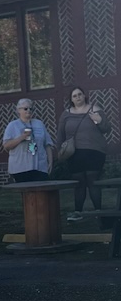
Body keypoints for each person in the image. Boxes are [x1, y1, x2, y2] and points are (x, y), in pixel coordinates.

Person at [57, 86, 110, 222]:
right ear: (71, 99)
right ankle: (77, 212)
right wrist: (59, 151)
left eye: (80, 94)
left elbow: (106, 128)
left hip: (94, 151)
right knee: (79, 182)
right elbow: (60, 134)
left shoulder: (95, 109)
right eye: (74, 95)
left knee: (93, 181)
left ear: (84, 95)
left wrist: (98, 119)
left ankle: (98, 211)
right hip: (74, 153)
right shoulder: (66, 114)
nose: (78, 97)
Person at [2, 98, 54, 183]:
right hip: (21, 168)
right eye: (25, 108)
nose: (28, 110)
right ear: (18, 110)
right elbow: (6, 146)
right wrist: (22, 137)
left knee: (42, 193)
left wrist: (50, 162)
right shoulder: (12, 126)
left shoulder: (39, 124)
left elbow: (47, 144)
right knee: (28, 194)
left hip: (40, 166)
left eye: (31, 109)